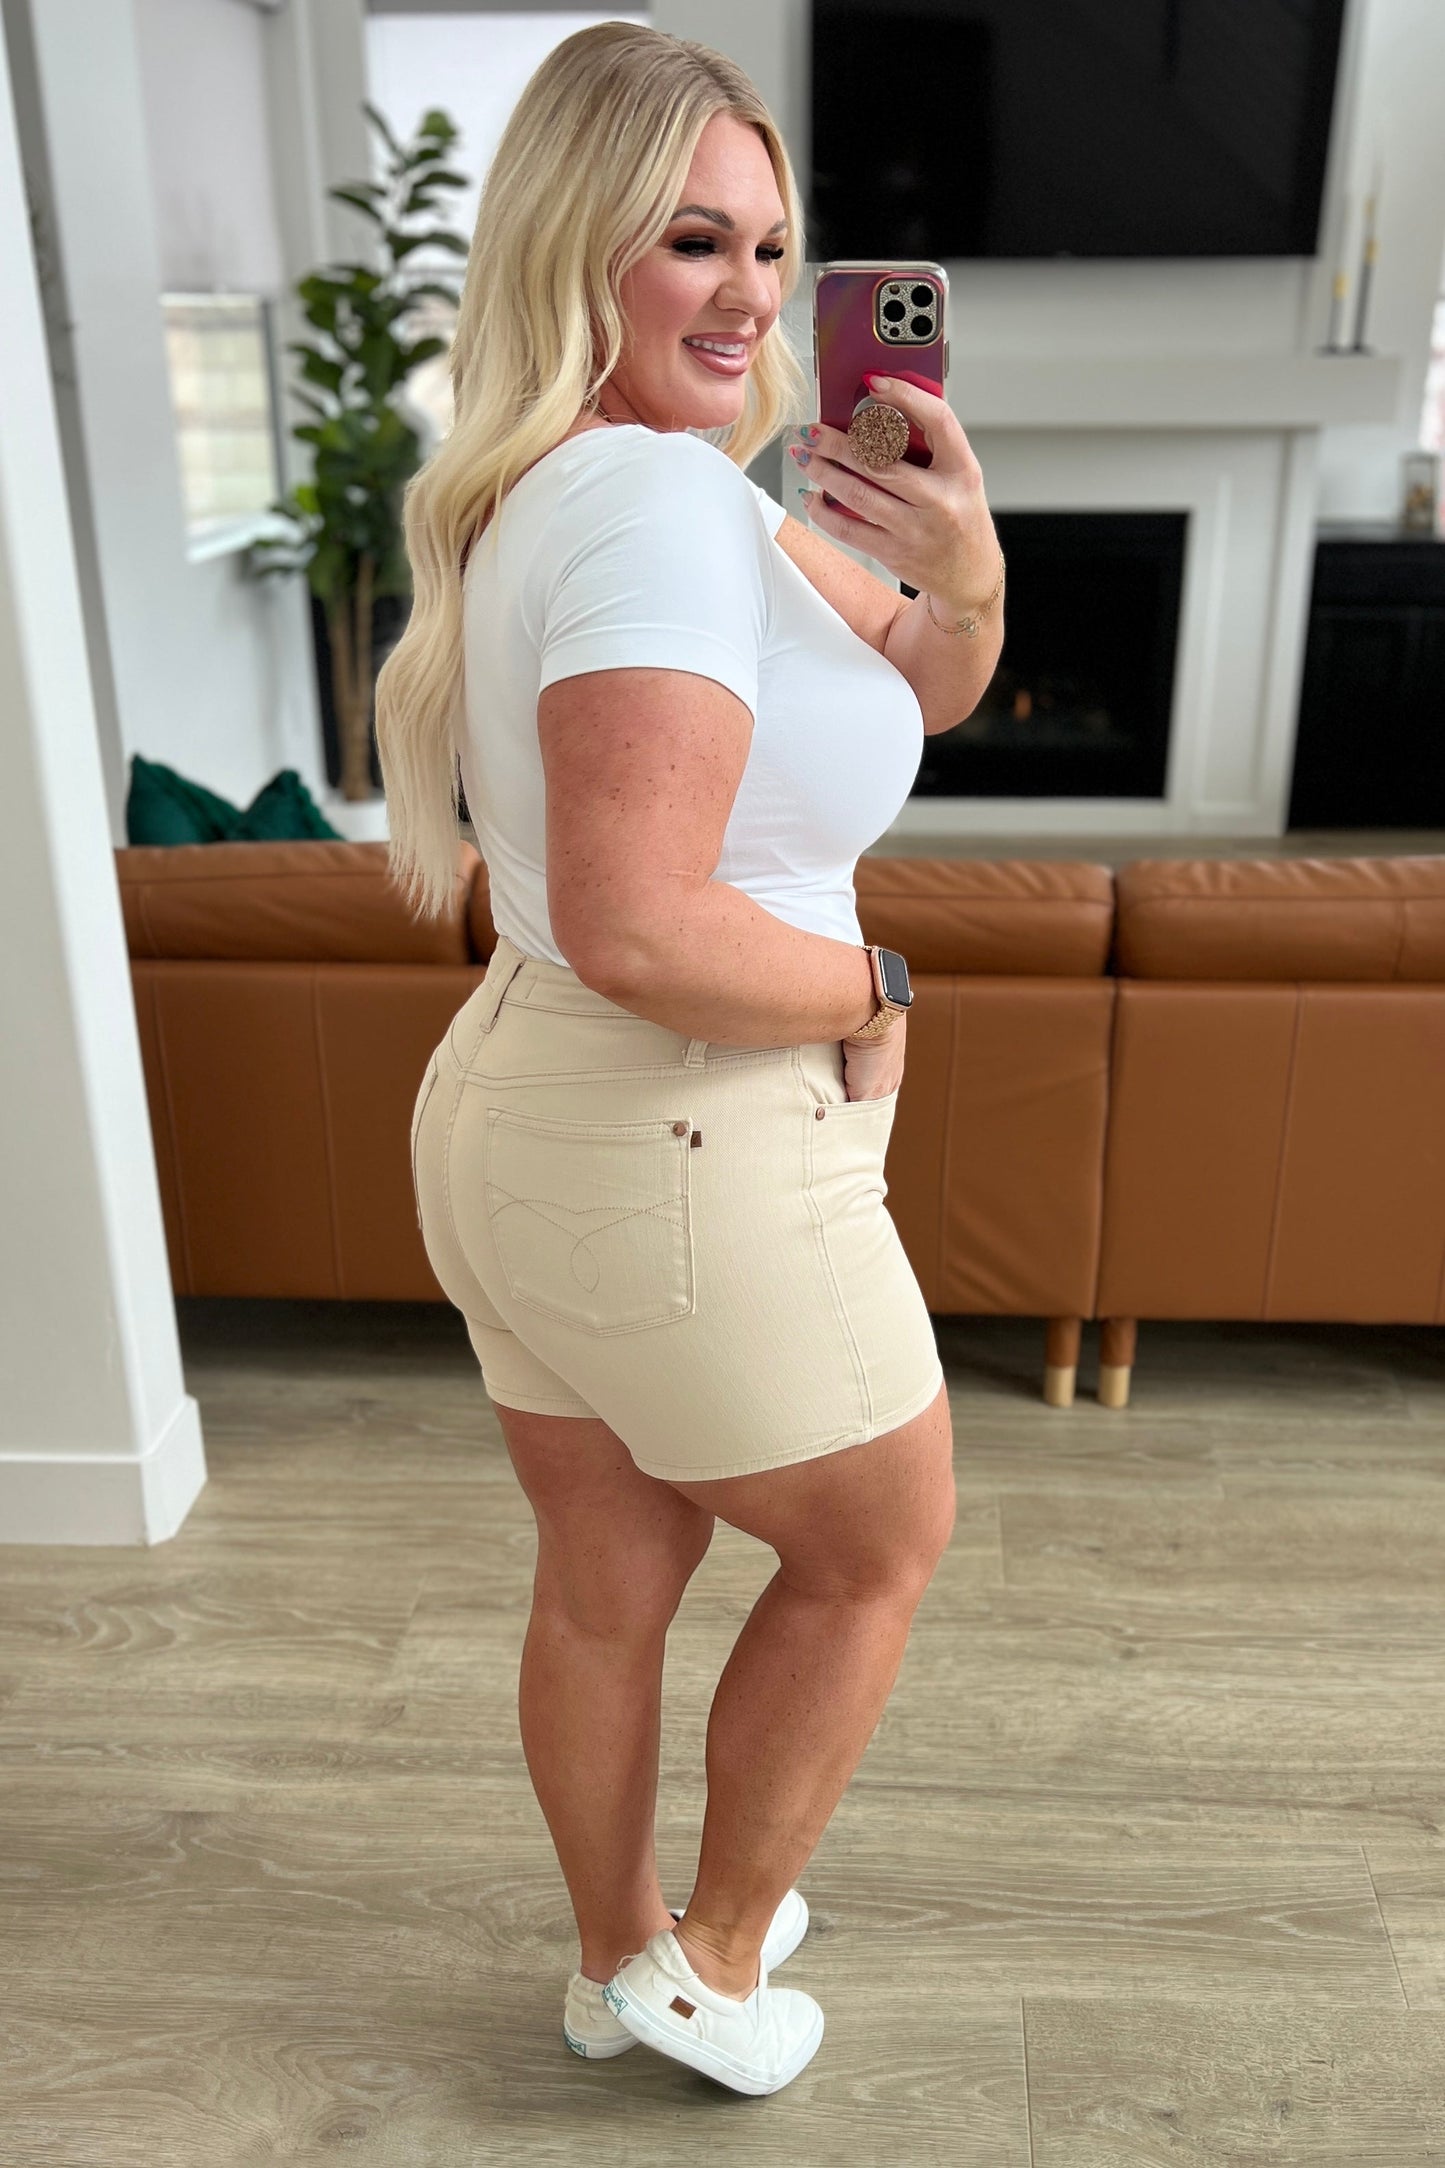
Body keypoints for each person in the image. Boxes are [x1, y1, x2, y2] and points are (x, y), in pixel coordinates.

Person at [375, 20, 1006, 2099]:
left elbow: (928, 666)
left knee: (611, 1567)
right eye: (691, 242)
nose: (748, 293)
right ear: (579, 247)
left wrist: (965, 565)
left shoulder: (617, 488)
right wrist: (873, 987)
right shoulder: (656, 502)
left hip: (529, 1109)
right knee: (876, 1540)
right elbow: (647, 922)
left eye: (773, 246)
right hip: (673, 1119)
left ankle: (612, 1957)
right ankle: (713, 1966)